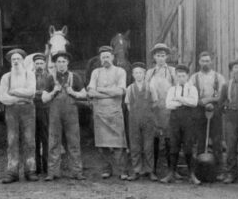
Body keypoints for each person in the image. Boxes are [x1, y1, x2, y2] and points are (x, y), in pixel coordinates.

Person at [41, 50, 87, 181]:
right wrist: (53, 92)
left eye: (64, 61)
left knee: (74, 142)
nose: (61, 64)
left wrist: (73, 93)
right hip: (55, 114)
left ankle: (77, 172)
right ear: (55, 64)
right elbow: (44, 99)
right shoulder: (50, 78)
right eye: (59, 62)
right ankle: (52, 172)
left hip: (71, 114)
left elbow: (84, 94)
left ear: (68, 63)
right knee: (53, 141)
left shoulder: (75, 77)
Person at [87, 45, 129, 180]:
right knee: (102, 144)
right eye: (103, 57)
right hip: (99, 112)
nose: (105, 59)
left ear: (113, 57)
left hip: (115, 112)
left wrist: (101, 90)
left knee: (119, 144)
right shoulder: (96, 72)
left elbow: (121, 91)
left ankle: (122, 171)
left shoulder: (120, 71)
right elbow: (90, 92)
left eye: (108, 56)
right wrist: (109, 92)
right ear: (100, 59)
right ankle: (107, 169)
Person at [0, 49, 38, 183]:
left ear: (23, 61)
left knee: (29, 140)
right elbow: (3, 98)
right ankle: (12, 172)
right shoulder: (6, 77)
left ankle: (30, 170)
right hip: (12, 111)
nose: (16, 61)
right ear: (10, 62)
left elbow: (31, 92)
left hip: (28, 110)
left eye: (18, 59)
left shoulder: (30, 75)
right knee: (12, 140)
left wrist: (14, 92)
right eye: (13, 59)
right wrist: (20, 98)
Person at [189, 52, 226, 175]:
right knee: (200, 140)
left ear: (211, 62)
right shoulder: (194, 78)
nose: (205, 63)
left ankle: (218, 171)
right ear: (199, 62)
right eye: (203, 61)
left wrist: (210, 101)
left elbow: (222, 95)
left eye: (208, 60)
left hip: (215, 110)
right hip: (199, 111)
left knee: (217, 141)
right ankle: (200, 170)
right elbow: (191, 95)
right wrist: (202, 103)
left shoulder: (218, 77)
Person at [162, 64, 200, 185]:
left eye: (183, 76)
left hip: (188, 121)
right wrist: (184, 101)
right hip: (175, 121)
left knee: (188, 147)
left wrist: (179, 99)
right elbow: (168, 104)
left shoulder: (192, 89)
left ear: (187, 76)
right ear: (176, 77)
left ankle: (191, 175)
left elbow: (194, 102)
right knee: (173, 147)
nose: (181, 78)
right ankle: (171, 174)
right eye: (179, 76)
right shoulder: (172, 89)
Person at [145, 43, 176, 181]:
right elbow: (145, 90)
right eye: (158, 55)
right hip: (154, 110)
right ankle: (152, 170)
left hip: (168, 109)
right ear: (154, 57)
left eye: (163, 56)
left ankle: (172, 170)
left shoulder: (172, 71)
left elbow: (177, 89)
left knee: (170, 140)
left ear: (167, 57)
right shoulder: (149, 72)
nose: (160, 58)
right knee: (154, 140)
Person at [125, 62, 157, 181]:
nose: (138, 75)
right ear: (133, 75)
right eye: (136, 73)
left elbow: (155, 102)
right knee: (135, 146)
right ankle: (136, 170)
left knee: (148, 146)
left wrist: (147, 113)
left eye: (141, 73)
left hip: (148, 119)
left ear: (144, 74)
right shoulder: (130, 88)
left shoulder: (150, 87)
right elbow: (128, 104)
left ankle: (150, 171)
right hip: (134, 120)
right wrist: (135, 114)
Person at [31, 53, 50, 177]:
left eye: (41, 63)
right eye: (37, 63)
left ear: (45, 64)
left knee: (46, 138)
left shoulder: (50, 77)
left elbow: (50, 92)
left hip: (46, 109)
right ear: (34, 65)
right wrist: (40, 93)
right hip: (32, 109)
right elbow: (29, 92)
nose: (39, 66)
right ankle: (36, 167)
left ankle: (47, 166)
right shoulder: (29, 76)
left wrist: (38, 93)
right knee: (34, 139)